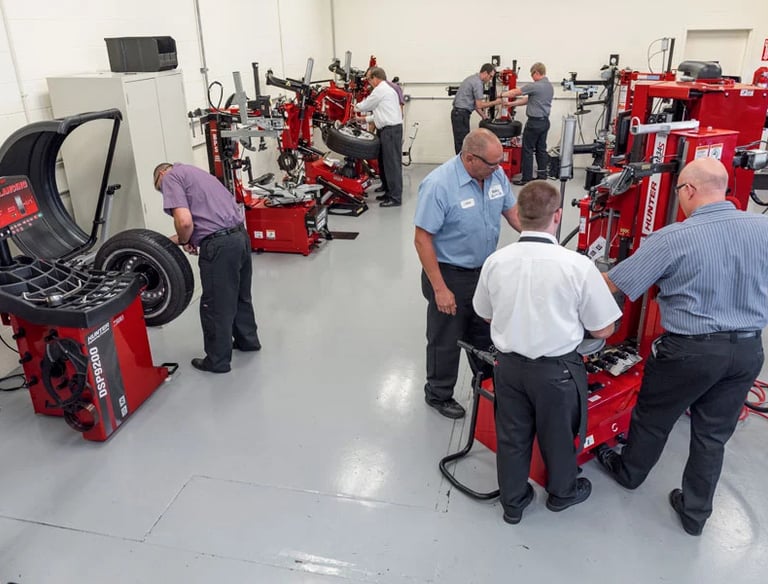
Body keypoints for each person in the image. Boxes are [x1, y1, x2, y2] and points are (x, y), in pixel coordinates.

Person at [594, 157, 768, 535]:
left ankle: (630, 473)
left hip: (690, 352)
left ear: (688, 190)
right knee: (712, 435)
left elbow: (615, 284)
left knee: (654, 418)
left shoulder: (673, 237)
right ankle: (695, 514)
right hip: (748, 351)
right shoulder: (763, 227)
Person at [472, 180, 620, 524]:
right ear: (557, 216)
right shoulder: (577, 266)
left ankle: (513, 503)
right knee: (559, 436)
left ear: (520, 215)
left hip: (508, 368)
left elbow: (485, 312)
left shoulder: (496, 261)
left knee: (512, 437)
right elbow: (603, 329)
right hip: (558, 373)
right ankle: (562, 494)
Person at [414, 128, 520, 419]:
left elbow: (513, 213)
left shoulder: (495, 175)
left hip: (485, 272)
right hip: (449, 274)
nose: (499, 168)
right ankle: (438, 394)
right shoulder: (439, 185)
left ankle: (486, 386)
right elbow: (422, 239)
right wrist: (440, 289)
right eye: (492, 164)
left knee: (485, 334)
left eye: (500, 162)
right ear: (470, 158)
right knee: (446, 339)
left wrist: (539, 237)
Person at [153, 162, 261, 373]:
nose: (164, 193)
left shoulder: (170, 177)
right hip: (240, 236)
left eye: (160, 188)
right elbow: (204, 219)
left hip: (220, 246)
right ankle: (247, 340)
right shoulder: (196, 173)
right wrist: (187, 238)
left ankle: (217, 360)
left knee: (215, 304)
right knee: (240, 294)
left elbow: (185, 222)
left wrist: (185, 239)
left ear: (162, 173)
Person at [354, 67, 403, 207]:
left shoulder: (380, 90)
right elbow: (381, 113)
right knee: (383, 162)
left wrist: (353, 106)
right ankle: (388, 192)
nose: (368, 82)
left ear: (375, 78)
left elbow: (366, 105)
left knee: (392, 164)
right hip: (386, 130)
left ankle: (395, 197)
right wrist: (363, 119)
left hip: (390, 131)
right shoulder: (386, 90)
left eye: (369, 79)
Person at [502, 62, 554, 185]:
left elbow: (515, 92)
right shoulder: (549, 86)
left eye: (532, 74)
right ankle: (542, 175)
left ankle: (526, 179)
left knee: (527, 150)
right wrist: (511, 104)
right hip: (545, 122)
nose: (532, 77)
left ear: (537, 72)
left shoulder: (535, 86)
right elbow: (529, 100)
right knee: (541, 149)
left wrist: (501, 95)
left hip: (534, 123)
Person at [451, 64, 504, 155]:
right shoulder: (478, 83)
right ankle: (462, 163)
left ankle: (463, 161)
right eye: (490, 76)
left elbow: (475, 104)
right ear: (485, 73)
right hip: (461, 114)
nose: (490, 79)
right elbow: (480, 105)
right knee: (462, 143)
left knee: (462, 142)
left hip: (458, 114)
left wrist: (483, 116)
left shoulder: (472, 79)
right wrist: (496, 102)